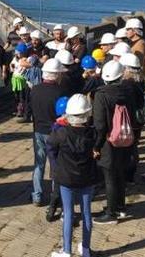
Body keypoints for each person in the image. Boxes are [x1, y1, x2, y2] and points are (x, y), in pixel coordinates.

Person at [48, 94, 99, 257]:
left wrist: (56, 167)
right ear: (88, 114)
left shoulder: (60, 133)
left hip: (66, 178)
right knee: (86, 212)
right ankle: (85, 249)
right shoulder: (93, 134)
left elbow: (50, 148)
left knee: (68, 213)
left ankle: (66, 250)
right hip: (87, 177)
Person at [92, 61, 140, 224]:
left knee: (110, 177)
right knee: (120, 174)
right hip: (126, 139)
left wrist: (96, 145)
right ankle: (120, 207)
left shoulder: (101, 95)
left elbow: (99, 124)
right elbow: (134, 115)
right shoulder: (128, 92)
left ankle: (111, 213)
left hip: (108, 142)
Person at [30, 58, 66, 206]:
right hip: (54, 132)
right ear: (56, 75)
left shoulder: (35, 90)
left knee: (39, 164)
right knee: (55, 165)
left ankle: (37, 195)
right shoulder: (61, 92)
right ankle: (54, 195)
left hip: (38, 130)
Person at [119, 53, 145, 185]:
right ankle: (130, 174)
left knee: (127, 150)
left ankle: (127, 175)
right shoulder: (141, 81)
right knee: (133, 147)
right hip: (138, 122)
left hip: (129, 122)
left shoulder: (126, 85)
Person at [11, 43, 30, 119]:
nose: (18, 54)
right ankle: (17, 108)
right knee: (16, 95)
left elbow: (27, 67)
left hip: (22, 80)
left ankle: (21, 110)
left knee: (22, 96)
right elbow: (11, 65)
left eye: (19, 53)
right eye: (17, 52)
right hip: (15, 79)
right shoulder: (15, 59)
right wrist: (12, 67)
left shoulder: (26, 59)